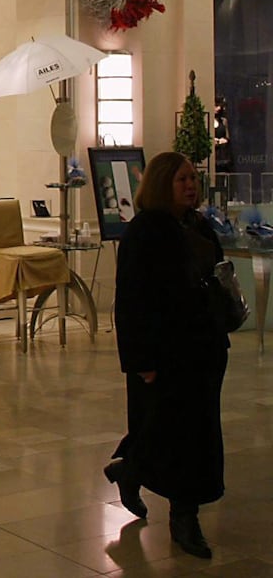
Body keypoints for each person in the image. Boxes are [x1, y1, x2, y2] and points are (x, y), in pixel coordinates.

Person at [107, 152, 228, 559]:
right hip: (164, 353)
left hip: (203, 350)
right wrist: (141, 361)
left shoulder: (198, 226)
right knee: (171, 433)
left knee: (193, 433)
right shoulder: (145, 232)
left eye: (193, 178)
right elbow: (131, 301)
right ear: (162, 184)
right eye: (181, 180)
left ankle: (131, 471)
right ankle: (182, 519)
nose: (191, 186)